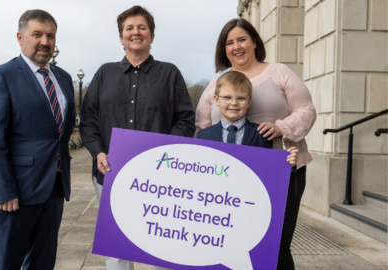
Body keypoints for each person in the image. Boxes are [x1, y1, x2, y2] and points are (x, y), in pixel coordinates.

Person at [80, 5, 195, 270]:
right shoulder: (104, 74)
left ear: (152, 36)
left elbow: (185, 119)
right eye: (129, 28)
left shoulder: (169, 73)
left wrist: (165, 151)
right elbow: (88, 120)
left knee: (164, 244)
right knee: (118, 246)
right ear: (121, 37)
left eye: (142, 27)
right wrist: (98, 152)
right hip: (110, 172)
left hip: (160, 176)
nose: (136, 32)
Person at [195, 19, 316, 270]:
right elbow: (201, 130)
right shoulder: (214, 86)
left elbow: (306, 109)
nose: (236, 46)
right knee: (236, 244)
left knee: (277, 245)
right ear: (223, 49)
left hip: (282, 171)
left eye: (242, 39)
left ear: (254, 42)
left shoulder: (279, 71)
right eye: (229, 42)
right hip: (230, 180)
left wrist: (281, 128)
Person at [0, 9, 75, 270]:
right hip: (16, 192)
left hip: (54, 188)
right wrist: (5, 189)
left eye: (50, 35)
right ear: (20, 37)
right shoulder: (2, 76)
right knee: (8, 263)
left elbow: (61, 134)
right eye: (37, 34)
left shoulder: (64, 79)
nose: (45, 41)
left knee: (43, 262)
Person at [196, 71, 298, 168]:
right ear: (217, 100)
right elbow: (200, 169)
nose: (234, 103)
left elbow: (267, 168)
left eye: (241, 98)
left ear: (249, 102)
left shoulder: (261, 133)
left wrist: (288, 163)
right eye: (227, 97)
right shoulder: (203, 135)